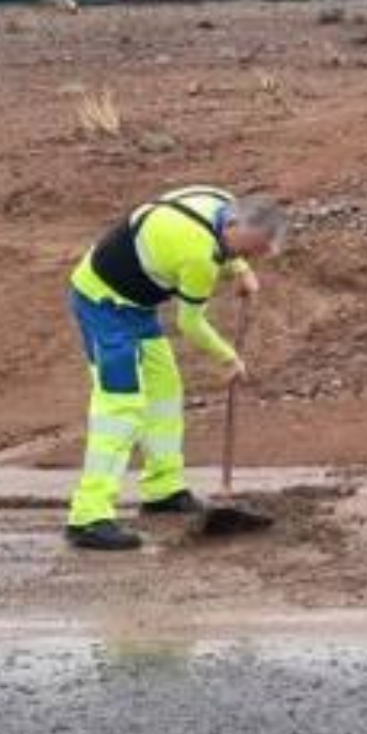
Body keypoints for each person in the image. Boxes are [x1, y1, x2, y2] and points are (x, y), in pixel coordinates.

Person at [63, 187, 286, 551]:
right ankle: (88, 517)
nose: (247, 258)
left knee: (165, 394)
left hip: (137, 308)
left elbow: (224, 247)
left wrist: (240, 268)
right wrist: (228, 358)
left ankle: (163, 489)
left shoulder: (220, 202)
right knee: (120, 409)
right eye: (247, 252)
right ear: (233, 224)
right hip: (102, 304)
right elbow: (191, 324)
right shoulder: (197, 255)